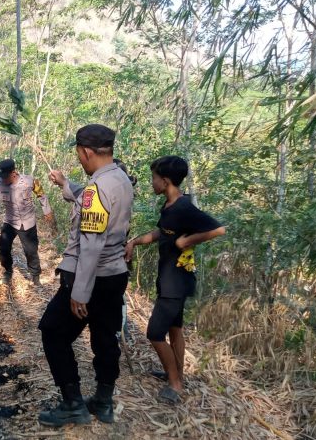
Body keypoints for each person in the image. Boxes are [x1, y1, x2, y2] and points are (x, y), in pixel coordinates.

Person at [38, 124, 134, 426]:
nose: (80, 157)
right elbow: (85, 198)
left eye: (79, 153)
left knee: (53, 332)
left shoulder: (97, 189)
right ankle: (103, 403)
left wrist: (79, 292)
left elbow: (91, 245)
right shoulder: (121, 178)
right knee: (106, 339)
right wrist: (66, 184)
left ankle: (73, 405)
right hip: (115, 274)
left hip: (91, 277)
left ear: (87, 152)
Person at [124, 155, 226, 405]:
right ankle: (176, 373)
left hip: (176, 280)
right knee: (174, 328)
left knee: (154, 333)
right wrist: (135, 241)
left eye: (154, 179)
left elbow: (218, 228)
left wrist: (187, 241)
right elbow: (162, 232)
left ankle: (176, 384)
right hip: (170, 277)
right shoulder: (169, 207)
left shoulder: (184, 207)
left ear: (166, 181)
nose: (152, 183)